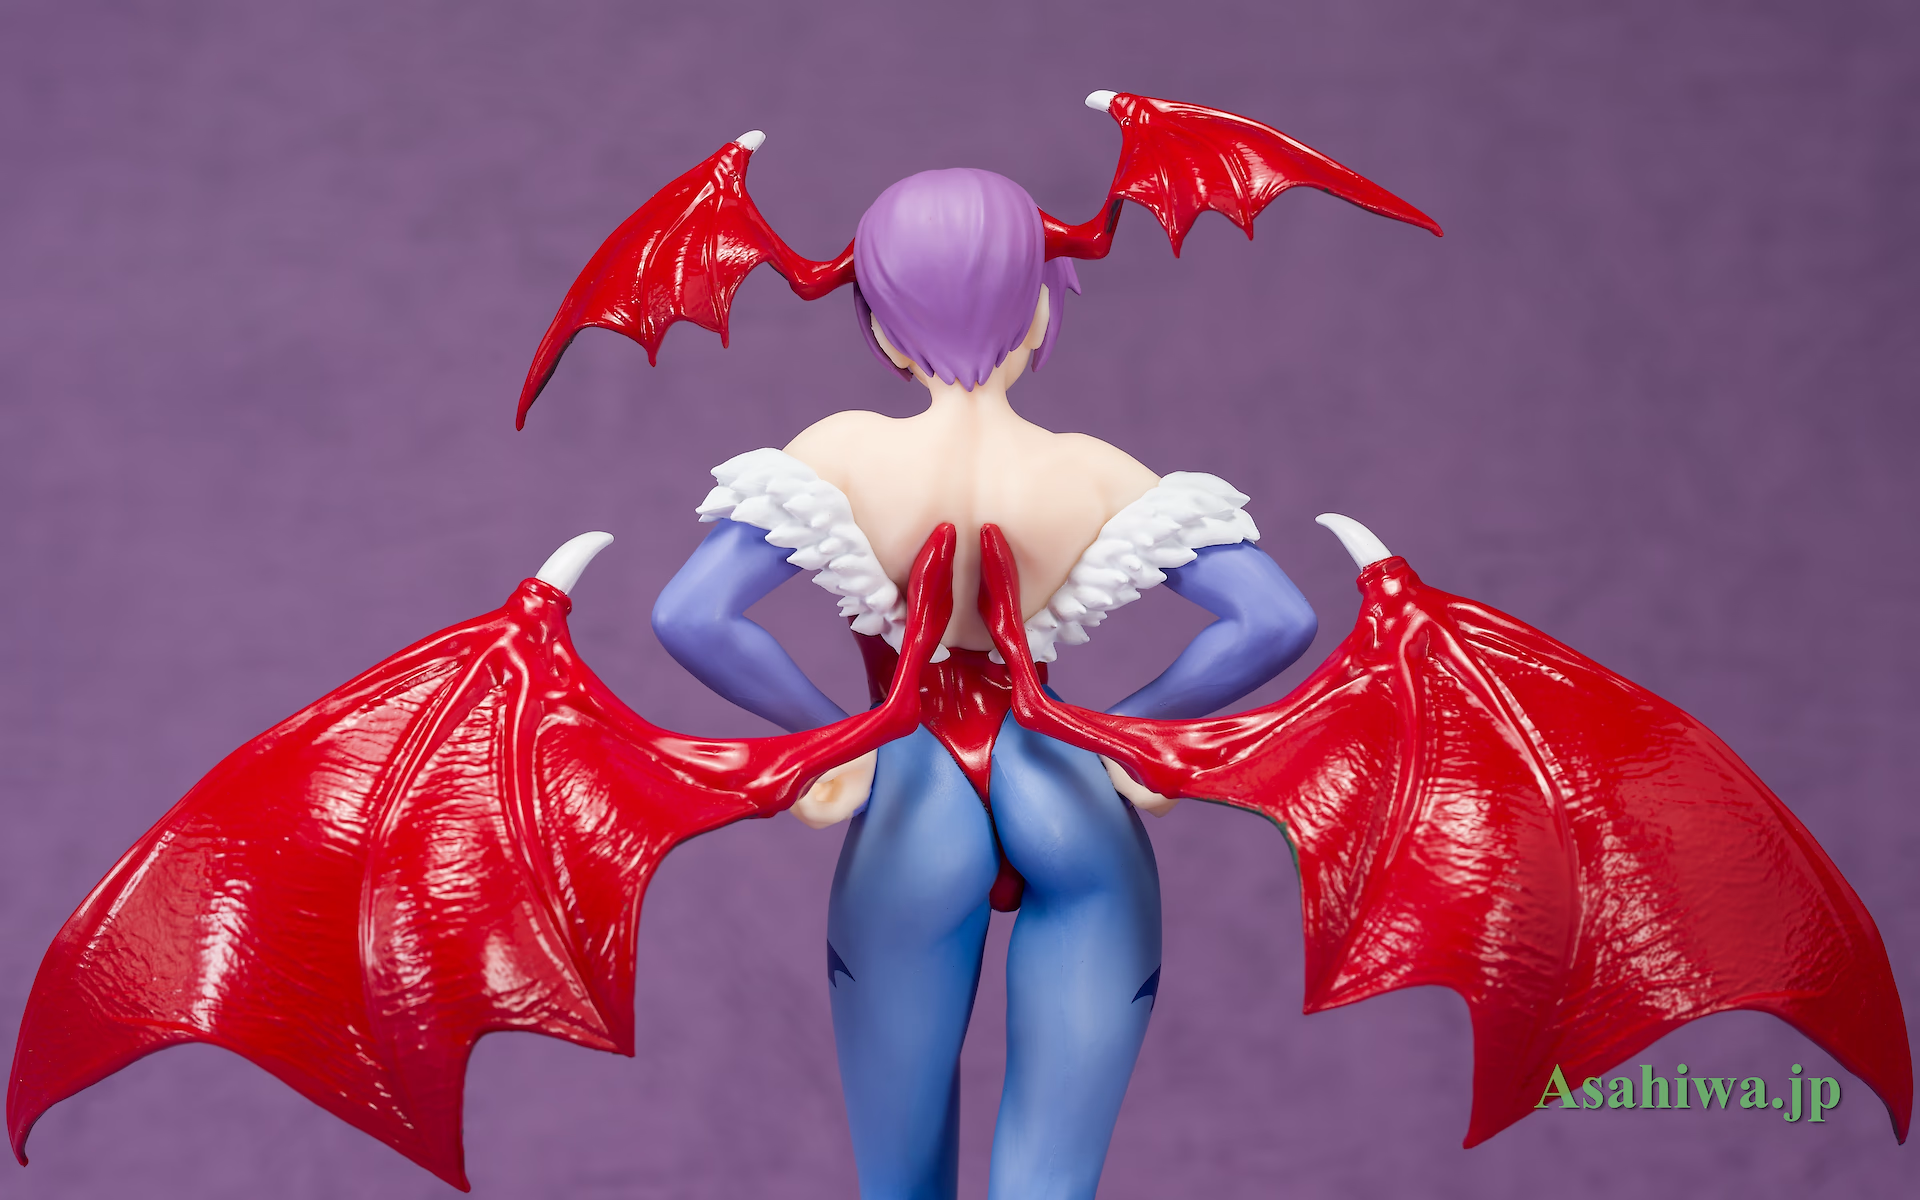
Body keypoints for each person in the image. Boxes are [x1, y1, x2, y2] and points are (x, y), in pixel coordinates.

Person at [651, 167, 1317, 1200]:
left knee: (901, 1182)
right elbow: (1275, 618)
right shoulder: (1092, 471)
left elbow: (692, 616)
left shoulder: (842, 454)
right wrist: (1123, 733)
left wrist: (835, 742)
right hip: (1067, 792)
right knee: (1052, 1183)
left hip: (912, 795)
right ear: (1041, 309)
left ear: (882, 328)